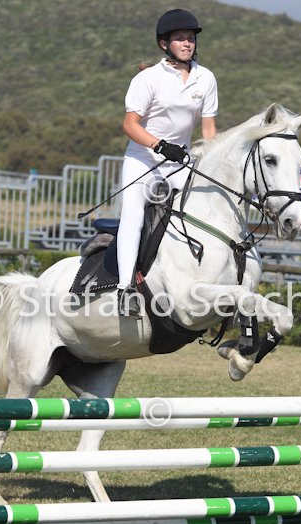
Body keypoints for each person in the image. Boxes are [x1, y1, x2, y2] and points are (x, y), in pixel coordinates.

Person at [117, 8, 218, 317]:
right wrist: (159, 145)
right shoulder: (148, 78)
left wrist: (211, 164)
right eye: (180, 38)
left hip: (180, 162)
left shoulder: (206, 78)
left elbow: (209, 130)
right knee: (133, 215)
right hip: (143, 159)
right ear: (164, 44)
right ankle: (125, 289)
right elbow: (130, 125)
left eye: (191, 38)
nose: (187, 43)